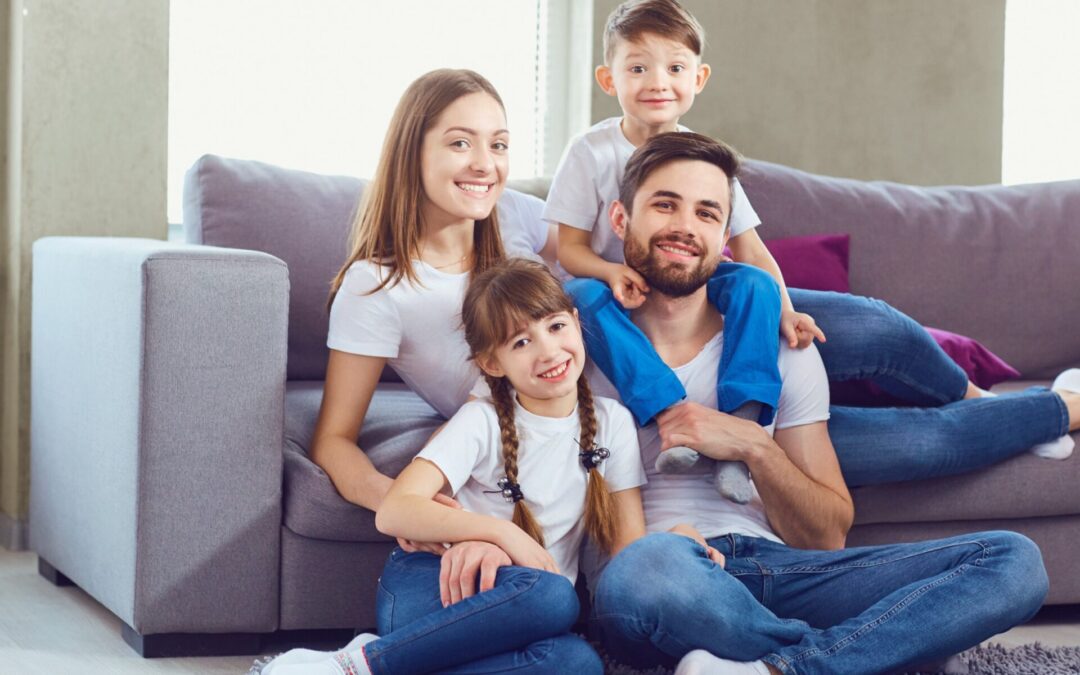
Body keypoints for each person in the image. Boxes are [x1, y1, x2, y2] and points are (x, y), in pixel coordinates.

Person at [585, 130, 1078, 674]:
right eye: (664, 204)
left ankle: (778, 669)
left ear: (725, 234)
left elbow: (825, 536)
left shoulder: (780, 349)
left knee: (1013, 561)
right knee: (649, 567)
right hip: (667, 579)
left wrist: (754, 446)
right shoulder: (571, 352)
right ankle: (860, 654)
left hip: (783, 570)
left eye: (706, 213)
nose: (684, 226)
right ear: (619, 219)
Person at [546, 0, 1073, 502]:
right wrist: (612, 271)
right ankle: (673, 416)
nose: (657, 82)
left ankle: (985, 402)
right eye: (638, 69)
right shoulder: (593, 153)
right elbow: (565, 248)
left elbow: (750, 249)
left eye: (674, 68)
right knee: (583, 293)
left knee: (848, 318)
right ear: (609, 79)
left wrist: (788, 310)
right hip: (625, 300)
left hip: (706, 292)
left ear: (698, 79)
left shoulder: (705, 159)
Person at [259, 259, 724, 674]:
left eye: (556, 326)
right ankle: (356, 666)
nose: (547, 351)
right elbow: (395, 509)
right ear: (492, 363)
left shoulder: (612, 423)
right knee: (554, 595)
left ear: (577, 325)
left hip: (521, 615)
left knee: (577, 662)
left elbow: (626, 552)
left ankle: (393, 662)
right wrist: (500, 534)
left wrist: (672, 547)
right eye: (521, 341)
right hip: (434, 590)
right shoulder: (481, 421)